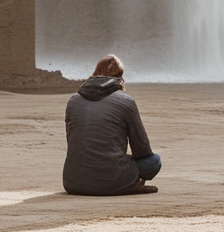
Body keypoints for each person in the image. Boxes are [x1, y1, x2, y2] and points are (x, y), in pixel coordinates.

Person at [62, 54, 162, 195]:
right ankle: (129, 183)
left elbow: (72, 141)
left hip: (73, 182)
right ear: (120, 77)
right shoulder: (126, 101)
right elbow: (142, 149)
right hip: (111, 180)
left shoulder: (74, 100)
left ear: (95, 73)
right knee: (154, 161)